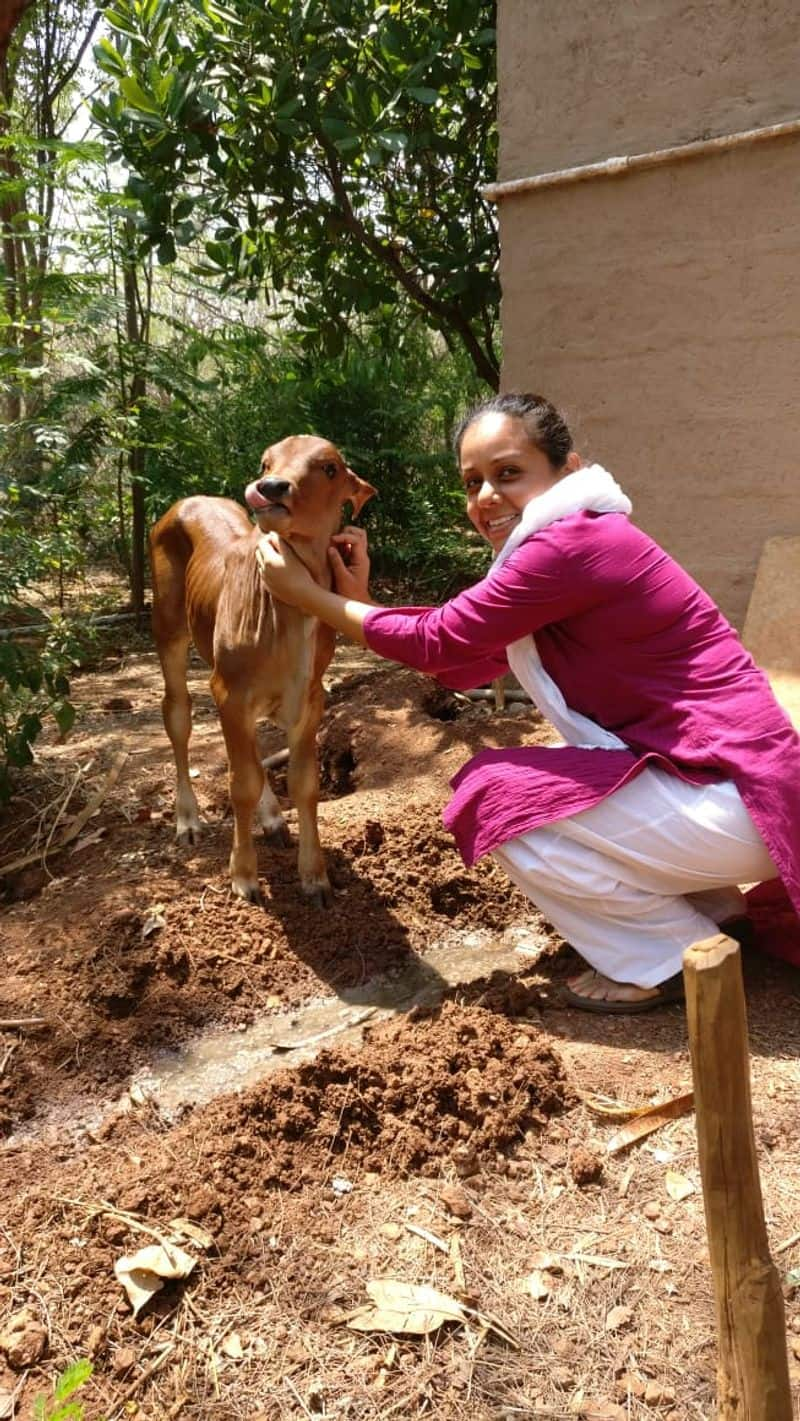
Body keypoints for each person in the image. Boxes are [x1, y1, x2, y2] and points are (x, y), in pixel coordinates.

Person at [255, 393, 800, 1013]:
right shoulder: (576, 541)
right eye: (472, 483)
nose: (486, 497)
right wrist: (366, 603)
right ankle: (714, 912)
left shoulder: (568, 546)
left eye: (508, 473)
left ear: (568, 470)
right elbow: (464, 666)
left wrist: (309, 595)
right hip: (734, 793)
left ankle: (663, 956)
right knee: (528, 788)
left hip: (734, 798)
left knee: (498, 797)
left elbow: (438, 640)